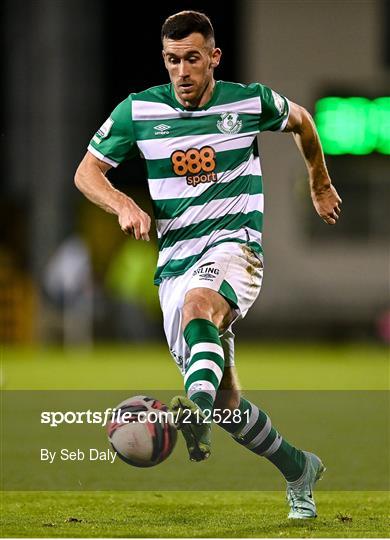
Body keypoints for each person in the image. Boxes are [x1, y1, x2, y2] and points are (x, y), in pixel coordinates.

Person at [75, 10, 342, 519]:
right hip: (174, 261)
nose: (182, 71)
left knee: (201, 306)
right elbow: (87, 173)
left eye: (192, 59)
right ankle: (298, 468)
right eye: (172, 60)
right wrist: (124, 204)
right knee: (229, 406)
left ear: (214, 57)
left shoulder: (249, 101)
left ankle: (189, 414)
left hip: (235, 245)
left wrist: (319, 181)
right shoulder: (137, 112)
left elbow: (303, 121)